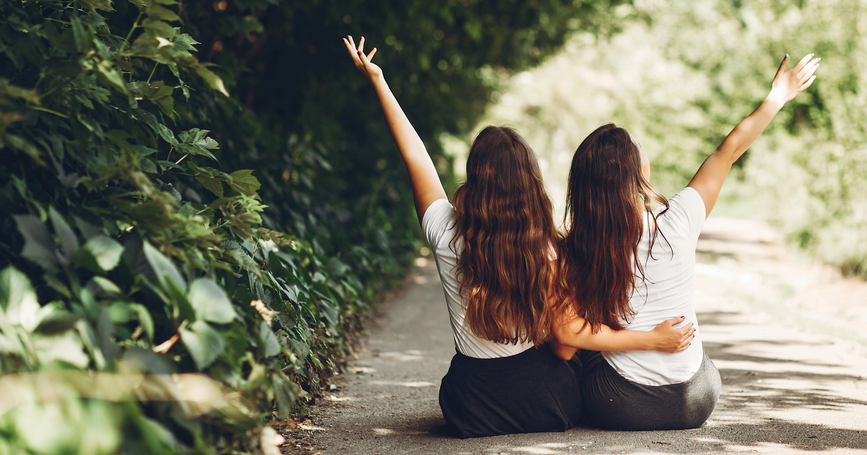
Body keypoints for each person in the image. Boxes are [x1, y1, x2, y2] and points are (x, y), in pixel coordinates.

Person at [343, 36, 696, 439]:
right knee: (576, 357)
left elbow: (414, 155)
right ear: (532, 184)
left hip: (470, 409)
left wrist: (379, 82)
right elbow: (565, 347)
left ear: (473, 179)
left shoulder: (445, 232)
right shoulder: (550, 247)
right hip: (547, 404)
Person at [553, 53, 821, 431]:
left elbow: (566, 340)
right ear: (637, 170)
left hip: (621, 404)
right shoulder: (679, 219)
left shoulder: (576, 249)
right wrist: (777, 96)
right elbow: (727, 152)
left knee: (570, 353)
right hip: (697, 400)